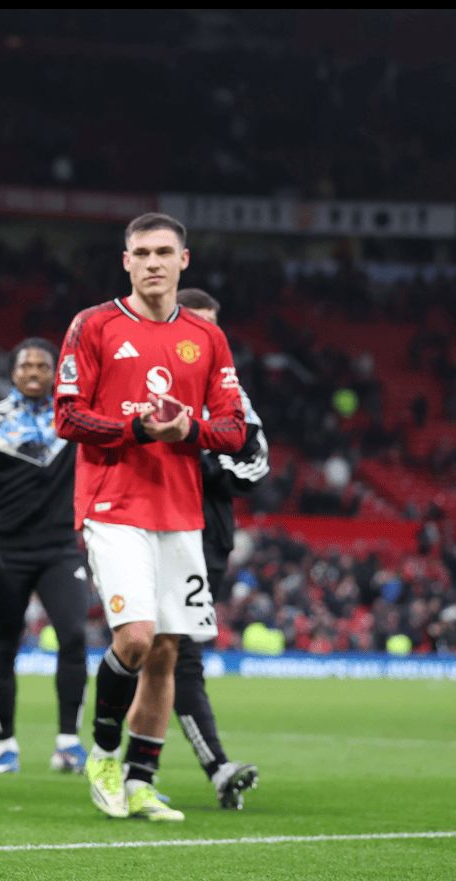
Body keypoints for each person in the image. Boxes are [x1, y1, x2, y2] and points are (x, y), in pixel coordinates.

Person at [54, 213, 245, 822]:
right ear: (127, 260)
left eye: (165, 251)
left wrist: (191, 428)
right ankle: (104, 753)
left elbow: (235, 430)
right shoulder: (95, 325)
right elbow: (67, 417)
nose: (154, 261)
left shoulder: (207, 338)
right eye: (143, 252)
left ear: (184, 260)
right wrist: (136, 427)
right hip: (112, 506)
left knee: (165, 651)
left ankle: (141, 779)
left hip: (180, 511)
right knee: (134, 638)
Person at [0, 337, 92, 776]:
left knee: (73, 636)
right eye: (25, 365)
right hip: (6, 551)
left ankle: (69, 742)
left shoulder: (73, 421)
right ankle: (5, 744)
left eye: (42, 365)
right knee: (5, 646)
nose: (34, 372)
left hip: (59, 549)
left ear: (56, 373)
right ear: (12, 372)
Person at [173, 288, 268, 808]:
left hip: (205, 540)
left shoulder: (234, 399)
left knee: (171, 652)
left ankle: (124, 762)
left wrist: (200, 451)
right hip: (143, 527)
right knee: (160, 649)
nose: (206, 338)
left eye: (214, 329)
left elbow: (255, 467)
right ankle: (213, 765)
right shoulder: (148, 383)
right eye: (195, 326)